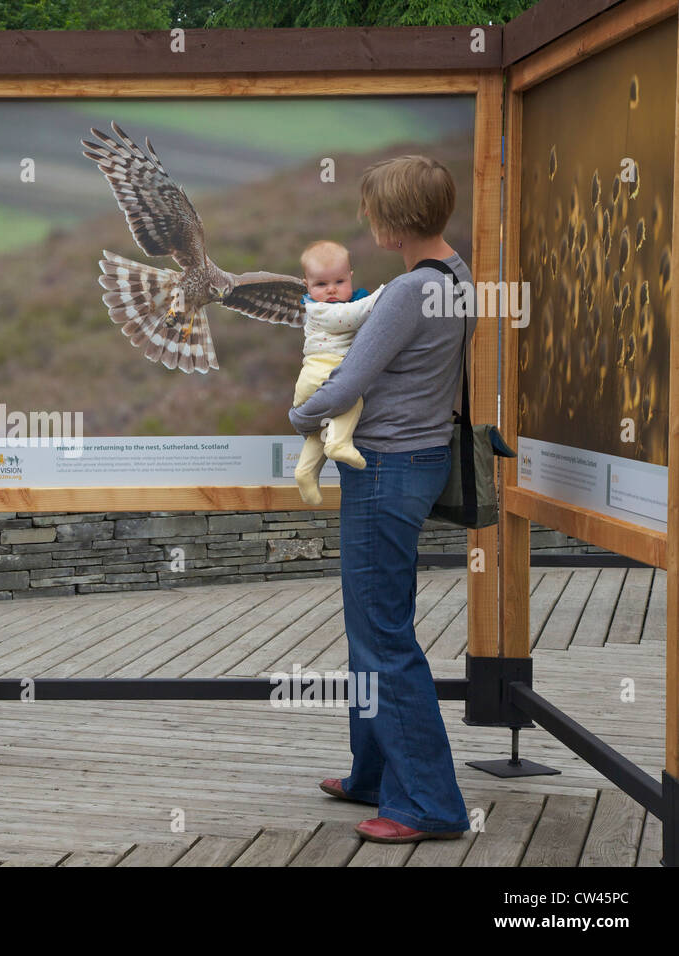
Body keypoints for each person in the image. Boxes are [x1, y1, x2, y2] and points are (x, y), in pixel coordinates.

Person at [288, 155, 476, 844]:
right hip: (419, 462)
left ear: (393, 220)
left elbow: (346, 386)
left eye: (371, 209)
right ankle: (372, 773)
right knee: (377, 627)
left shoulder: (403, 294)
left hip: (384, 469)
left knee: (384, 638)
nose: (366, 218)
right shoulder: (458, 278)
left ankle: (429, 804)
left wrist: (300, 416)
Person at [292, 240, 385, 506]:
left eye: (339, 282)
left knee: (318, 431)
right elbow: (354, 315)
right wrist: (384, 293)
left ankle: (305, 471)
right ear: (307, 285)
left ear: (350, 277)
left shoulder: (327, 304)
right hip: (324, 371)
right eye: (321, 285)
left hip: (311, 379)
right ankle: (339, 444)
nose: (331, 290)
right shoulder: (320, 310)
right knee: (352, 401)